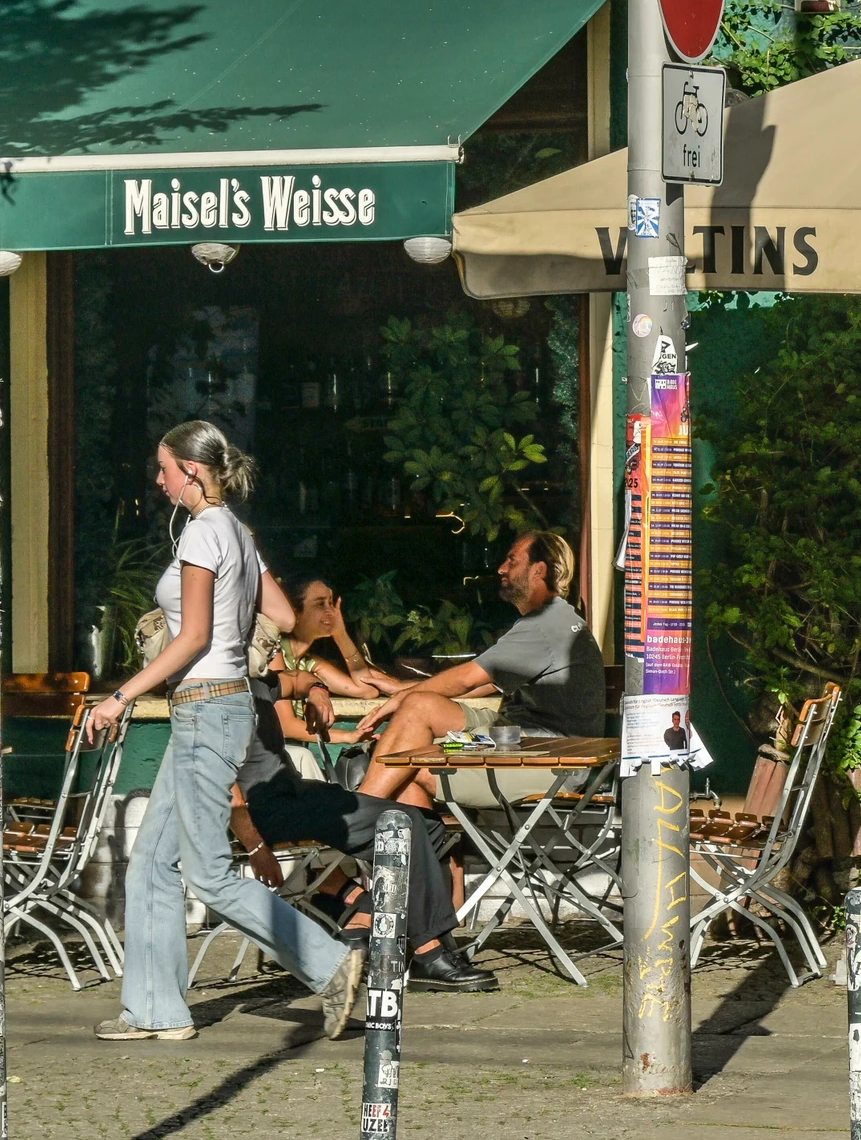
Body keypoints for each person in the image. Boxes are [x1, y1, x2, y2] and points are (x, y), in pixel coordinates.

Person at [80, 421, 362, 1043]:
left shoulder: (205, 535)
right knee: (152, 861)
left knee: (206, 872)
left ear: (191, 470)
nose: (158, 481)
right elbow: (287, 617)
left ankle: (330, 961)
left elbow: (196, 637)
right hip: (214, 707)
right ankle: (156, 1012)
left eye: (164, 470)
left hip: (207, 706)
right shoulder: (237, 532)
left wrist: (120, 696)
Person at [235, 657, 499, 993]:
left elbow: (298, 680)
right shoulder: (222, 693)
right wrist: (255, 846)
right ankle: (427, 953)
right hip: (264, 809)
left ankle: (368, 915)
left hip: (295, 794)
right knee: (403, 824)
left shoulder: (258, 680)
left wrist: (317, 691)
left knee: (428, 824)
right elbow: (225, 788)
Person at [353, 531, 603, 811]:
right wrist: (404, 690)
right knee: (415, 729)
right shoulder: (551, 620)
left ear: (538, 570)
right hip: (509, 739)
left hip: (545, 758)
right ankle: (434, 852)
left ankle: (357, 815)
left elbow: (467, 678)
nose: (501, 568)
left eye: (512, 560)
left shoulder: (547, 625)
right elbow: (486, 682)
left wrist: (399, 699)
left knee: (408, 764)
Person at [276, 574, 406, 698]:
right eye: (320, 604)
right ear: (295, 611)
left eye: (331, 604)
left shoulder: (309, 662)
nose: (331, 611)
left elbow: (367, 690)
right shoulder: (274, 653)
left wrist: (341, 635)